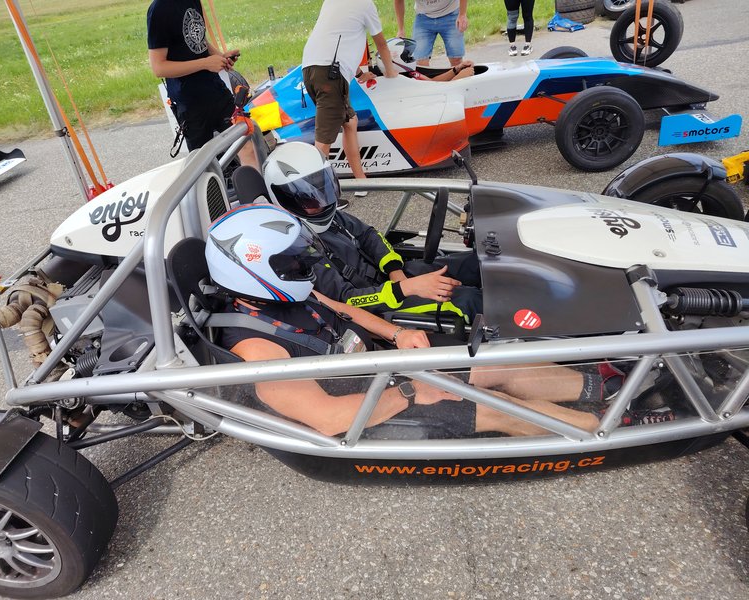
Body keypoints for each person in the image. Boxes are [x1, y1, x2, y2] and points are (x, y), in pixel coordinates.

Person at [205, 203, 601, 438]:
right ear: (251, 271)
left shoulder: (288, 292)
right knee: (497, 405)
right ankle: (605, 427)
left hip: (380, 366)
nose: (305, 268)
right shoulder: (256, 349)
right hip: (373, 407)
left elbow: (345, 309)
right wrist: (412, 393)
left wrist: (397, 332)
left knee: (493, 364)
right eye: (293, 263)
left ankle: (603, 386)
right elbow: (327, 418)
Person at [263, 142, 482, 320]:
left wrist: (395, 271)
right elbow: (345, 300)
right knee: (469, 300)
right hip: (377, 305)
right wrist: (404, 289)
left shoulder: (332, 215)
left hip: (392, 280)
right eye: (310, 198)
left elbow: (368, 234)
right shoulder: (296, 250)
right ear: (284, 198)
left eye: (324, 189)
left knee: (474, 264)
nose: (322, 202)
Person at [146, 0, 259, 169]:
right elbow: (159, 68)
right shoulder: (160, 9)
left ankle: (255, 186)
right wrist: (205, 63)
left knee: (245, 145)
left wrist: (220, 57)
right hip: (190, 104)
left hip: (216, 91)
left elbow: (199, 40)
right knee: (205, 168)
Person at [302, 0, 398, 194]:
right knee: (323, 141)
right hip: (330, 75)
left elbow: (337, 40)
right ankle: (315, 196)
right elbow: (381, 44)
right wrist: (391, 72)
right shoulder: (366, 4)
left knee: (350, 122)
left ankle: (361, 182)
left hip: (311, 68)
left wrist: (360, 74)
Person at [394, 0, 469, 68]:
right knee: (420, 62)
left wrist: (462, 14)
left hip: (451, 13)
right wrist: (401, 30)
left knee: (456, 59)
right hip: (423, 18)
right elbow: (398, 1)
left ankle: (459, 77)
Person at [378, 37, 474, 81]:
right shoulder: (402, 81)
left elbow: (432, 82)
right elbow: (437, 91)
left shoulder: (411, 74)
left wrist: (456, 69)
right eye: (408, 56)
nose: (412, 57)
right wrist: (460, 77)